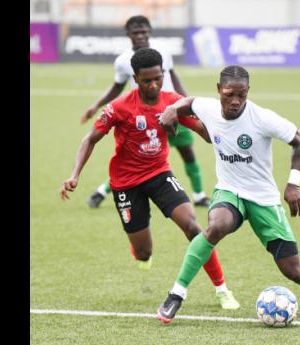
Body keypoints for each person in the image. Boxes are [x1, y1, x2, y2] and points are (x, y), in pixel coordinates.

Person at [156, 65, 300, 324]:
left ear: (248, 92)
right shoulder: (208, 107)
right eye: (228, 95)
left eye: (242, 95)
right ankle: (176, 295)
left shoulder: (263, 118)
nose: (235, 101)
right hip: (229, 190)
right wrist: (171, 110)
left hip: (263, 199)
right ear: (218, 91)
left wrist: (293, 184)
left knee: (292, 269)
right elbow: (189, 102)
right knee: (217, 225)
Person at [60, 48, 240, 310]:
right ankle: (139, 251)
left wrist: (229, 141)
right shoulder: (119, 108)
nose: (154, 84)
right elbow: (90, 139)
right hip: (125, 183)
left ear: (163, 74)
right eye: (147, 80)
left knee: (193, 227)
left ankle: (222, 289)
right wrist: (74, 174)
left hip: (159, 174)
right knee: (144, 253)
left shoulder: (173, 102)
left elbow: (204, 130)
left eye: (158, 78)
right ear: (135, 78)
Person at [81, 15, 210, 209]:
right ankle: (101, 191)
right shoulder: (123, 61)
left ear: (149, 31)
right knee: (139, 159)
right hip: (146, 115)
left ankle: (199, 195)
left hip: (174, 110)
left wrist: (189, 104)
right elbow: (117, 87)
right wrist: (96, 105)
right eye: (135, 33)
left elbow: (174, 78)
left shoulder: (163, 52)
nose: (140, 36)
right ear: (128, 34)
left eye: (143, 31)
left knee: (187, 153)